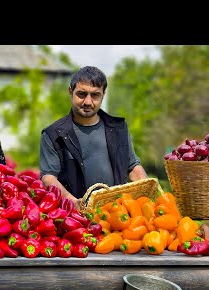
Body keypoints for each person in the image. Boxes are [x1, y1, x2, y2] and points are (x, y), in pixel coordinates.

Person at [39, 66, 148, 209]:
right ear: (70, 92)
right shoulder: (54, 134)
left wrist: (147, 194)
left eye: (95, 95)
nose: (88, 102)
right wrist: (74, 202)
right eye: (82, 94)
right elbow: (49, 177)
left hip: (117, 213)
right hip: (76, 220)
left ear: (103, 94)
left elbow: (132, 166)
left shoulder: (118, 128)